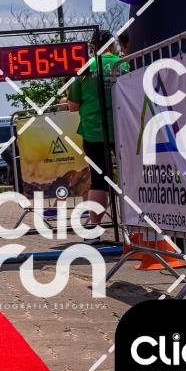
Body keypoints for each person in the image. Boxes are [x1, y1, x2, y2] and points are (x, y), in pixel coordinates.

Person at [65, 29, 128, 243]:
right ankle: (136, 229)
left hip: (94, 131)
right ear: (113, 45)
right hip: (124, 129)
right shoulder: (125, 64)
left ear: (93, 47)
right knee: (131, 178)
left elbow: (73, 106)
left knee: (99, 180)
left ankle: (94, 230)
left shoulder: (86, 68)